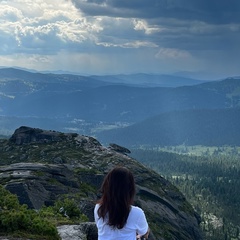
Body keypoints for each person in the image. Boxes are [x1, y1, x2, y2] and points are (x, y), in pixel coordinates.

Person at [94, 166, 150, 240]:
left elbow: (100, 228)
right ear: (130, 189)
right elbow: (144, 233)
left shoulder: (99, 208)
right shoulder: (137, 213)